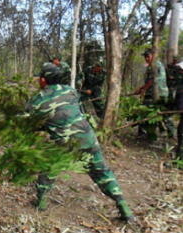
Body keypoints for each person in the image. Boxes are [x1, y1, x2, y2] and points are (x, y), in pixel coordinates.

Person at [25, 62, 134, 221]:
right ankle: (124, 208)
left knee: (47, 170)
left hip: (65, 145)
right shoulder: (71, 91)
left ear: (42, 80)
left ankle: (41, 204)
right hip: (88, 138)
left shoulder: (37, 99)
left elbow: (25, 122)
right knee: (102, 172)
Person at [132, 48, 175, 141]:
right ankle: (170, 133)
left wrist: (143, 91)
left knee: (145, 112)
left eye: (148, 56)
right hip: (161, 93)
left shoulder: (154, 65)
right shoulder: (157, 64)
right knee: (163, 114)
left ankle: (143, 133)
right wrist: (140, 88)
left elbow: (151, 81)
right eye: (145, 57)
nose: (146, 58)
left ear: (153, 55)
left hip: (156, 94)